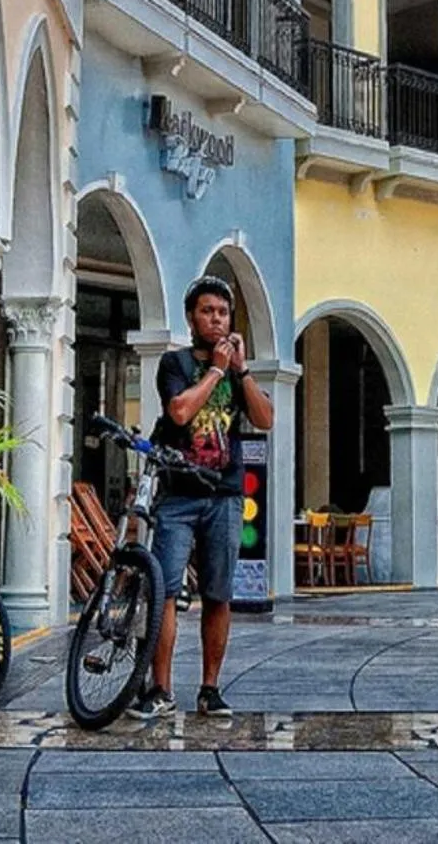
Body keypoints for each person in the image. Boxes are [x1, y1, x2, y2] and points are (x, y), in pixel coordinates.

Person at [132, 274, 273, 719]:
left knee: (218, 593)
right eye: (208, 312)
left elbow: (266, 418)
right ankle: (162, 688)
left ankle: (210, 688)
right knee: (166, 589)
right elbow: (180, 410)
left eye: (223, 313)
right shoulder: (174, 364)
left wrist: (241, 370)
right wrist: (215, 368)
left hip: (225, 494)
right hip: (178, 494)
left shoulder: (236, 372)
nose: (216, 319)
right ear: (192, 318)